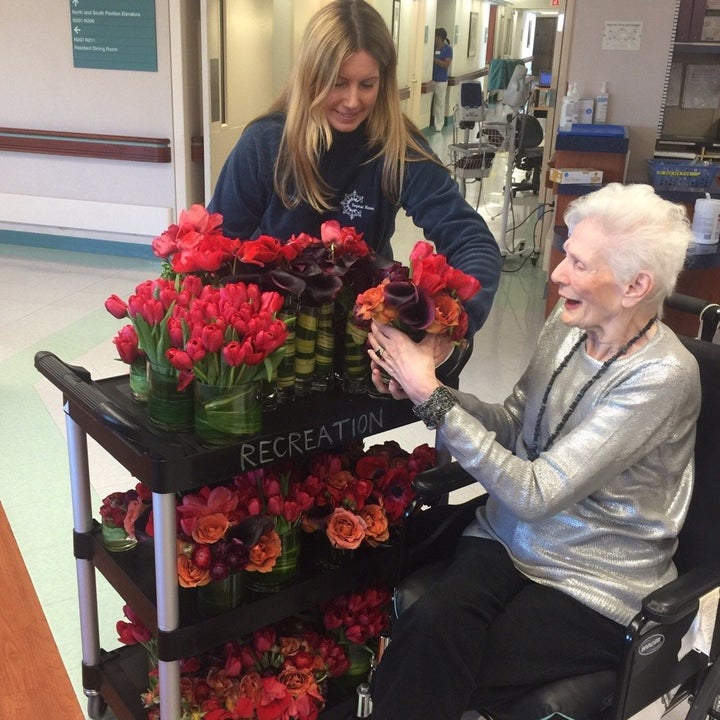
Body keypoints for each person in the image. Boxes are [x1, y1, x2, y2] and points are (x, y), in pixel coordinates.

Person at [367, 183, 701, 720]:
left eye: (578, 263)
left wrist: (432, 398)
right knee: (428, 633)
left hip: (596, 577)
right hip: (508, 540)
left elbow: (537, 492)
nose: (557, 273)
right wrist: (429, 391)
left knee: (446, 666)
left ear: (636, 285)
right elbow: (510, 424)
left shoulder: (662, 376)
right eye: (565, 252)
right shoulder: (568, 328)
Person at [207, 0, 501, 346]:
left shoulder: (397, 146)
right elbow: (219, 249)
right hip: (274, 339)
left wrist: (453, 325)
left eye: (367, 84)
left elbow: (472, 240)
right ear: (311, 77)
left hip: (360, 340)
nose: (352, 101)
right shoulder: (266, 143)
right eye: (337, 83)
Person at [432, 28, 453, 133]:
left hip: (441, 80)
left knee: (439, 102)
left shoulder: (447, 49)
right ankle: (432, 122)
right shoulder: (433, 47)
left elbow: (446, 64)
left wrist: (434, 60)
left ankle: (439, 124)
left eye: (435, 36)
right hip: (432, 79)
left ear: (439, 37)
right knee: (432, 103)